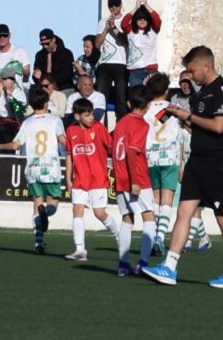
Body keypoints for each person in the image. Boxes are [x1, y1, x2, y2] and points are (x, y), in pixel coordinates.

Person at [142, 46, 223, 290]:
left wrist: (186, 115)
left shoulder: (221, 91)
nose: (189, 76)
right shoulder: (202, 93)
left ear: (206, 67)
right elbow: (200, 126)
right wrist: (180, 118)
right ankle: (169, 266)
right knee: (183, 213)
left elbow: (219, 126)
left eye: (192, 71)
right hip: (197, 160)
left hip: (217, 162)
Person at [140, 70, 201, 261]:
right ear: (166, 90)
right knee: (167, 200)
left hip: (151, 158)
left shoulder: (145, 110)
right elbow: (181, 135)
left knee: (156, 199)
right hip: (169, 157)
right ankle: (159, 237)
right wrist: (181, 163)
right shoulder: (173, 109)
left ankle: (154, 238)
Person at [60, 96, 124, 264]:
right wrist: (68, 179)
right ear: (77, 116)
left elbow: (112, 147)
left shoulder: (99, 128)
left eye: (92, 114)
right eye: (87, 115)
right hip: (80, 180)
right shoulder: (71, 131)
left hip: (98, 179)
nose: (91, 118)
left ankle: (120, 238)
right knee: (77, 210)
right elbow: (69, 156)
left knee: (99, 213)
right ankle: (80, 250)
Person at [9, 84, 67, 255]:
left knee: (36, 204)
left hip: (33, 168)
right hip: (51, 167)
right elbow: (63, 140)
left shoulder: (27, 122)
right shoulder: (55, 120)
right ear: (46, 102)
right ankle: (46, 212)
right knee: (53, 203)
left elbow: (16, 145)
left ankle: (38, 243)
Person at [112, 85, 154, 277]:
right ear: (148, 105)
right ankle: (143, 263)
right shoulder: (141, 124)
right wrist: (135, 181)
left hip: (120, 176)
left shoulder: (121, 122)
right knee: (149, 216)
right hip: (137, 177)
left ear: (129, 103)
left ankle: (123, 264)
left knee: (127, 218)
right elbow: (131, 151)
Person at [92, 0, 131, 112]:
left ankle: (122, 123)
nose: (113, 7)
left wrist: (114, 28)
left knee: (121, 100)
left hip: (121, 63)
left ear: (121, 5)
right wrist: (106, 29)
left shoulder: (126, 21)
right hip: (104, 64)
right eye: (111, 5)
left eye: (116, 5)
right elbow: (97, 44)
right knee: (101, 99)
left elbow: (126, 41)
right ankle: (99, 122)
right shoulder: (103, 21)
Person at [34, 28, 78, 112]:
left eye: (47, 43)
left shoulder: (66, 54)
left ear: (53, 39)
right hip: (44, 90)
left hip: (63, 88)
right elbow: (36, 73)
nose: (45, 46)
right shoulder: (40, 55)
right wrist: (36, 74)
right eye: (42, 44)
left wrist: (47, 79)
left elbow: (65, 75)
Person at [122, 0, 163, 87]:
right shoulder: (130, 31)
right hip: (135, 72)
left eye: (145, 18)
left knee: (153, 94)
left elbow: (158, 20)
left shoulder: (153, 30)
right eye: (139, 18)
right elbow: (124, 24)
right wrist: (135, 8)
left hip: (151, 70)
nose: (142, 20)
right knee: (136, 95)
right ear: (135, 19)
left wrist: (146, 5)